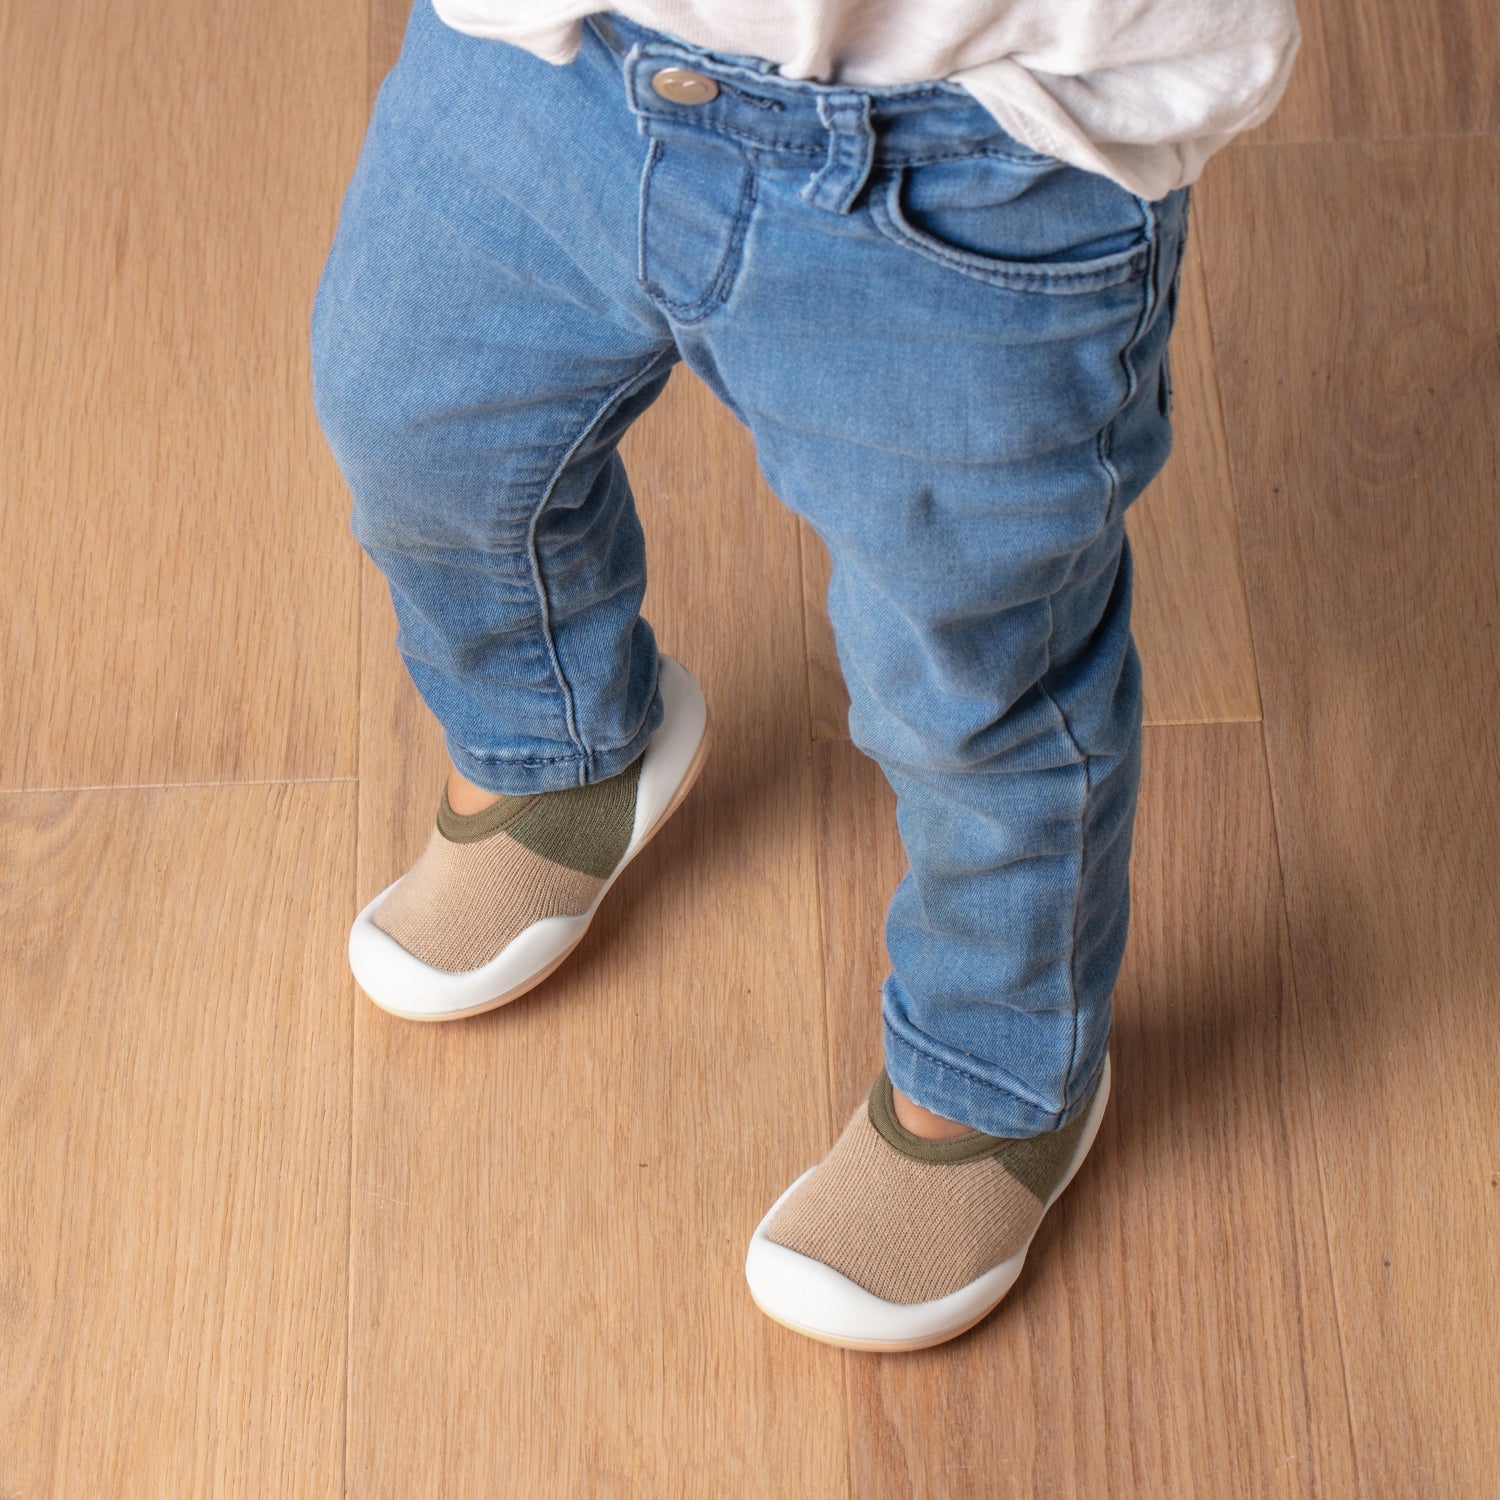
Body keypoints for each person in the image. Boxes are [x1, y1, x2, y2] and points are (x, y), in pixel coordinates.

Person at [309, 0, 1299, 1351]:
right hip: (554, 57)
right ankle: (554, 742)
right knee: (417, 417)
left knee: (974, 682)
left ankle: (994, 1072)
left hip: (976, 164)